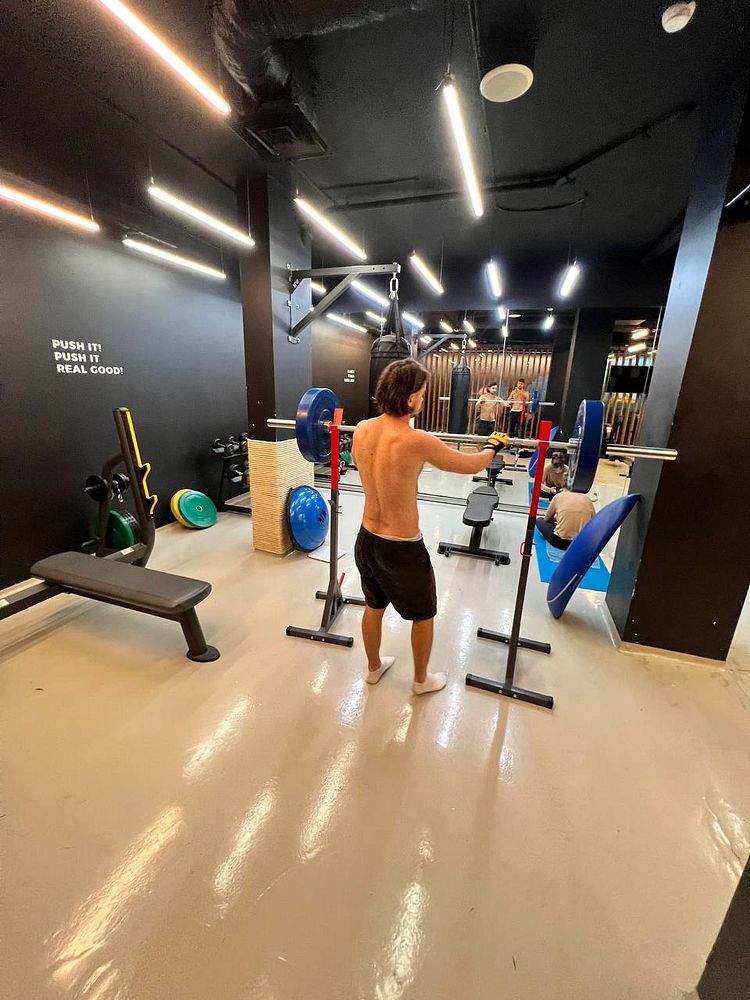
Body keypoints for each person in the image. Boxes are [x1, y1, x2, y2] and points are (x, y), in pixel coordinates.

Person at [352, 359, 507, 695]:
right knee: (423, 615)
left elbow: (360, 463)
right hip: (401, 548)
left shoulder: (362, 429)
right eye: (422, 394)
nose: (423, 399)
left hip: (366, 539)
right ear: (410, 398)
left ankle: (373, 668)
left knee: (373, 605)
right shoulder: (416, 440)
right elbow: (470, 465)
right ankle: (422, 681)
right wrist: (493, 446)